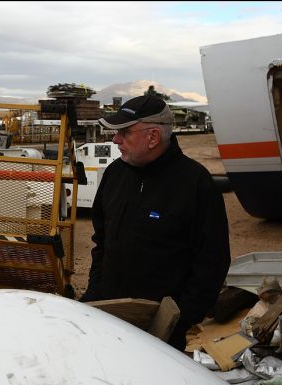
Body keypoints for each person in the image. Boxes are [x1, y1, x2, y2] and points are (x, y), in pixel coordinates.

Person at [80, 95, 231, 351]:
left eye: (124, 132)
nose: (115, 140)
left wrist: (177, 322)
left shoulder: (195, 184)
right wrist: (94, 296)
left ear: (152, 137)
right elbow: (102, 243)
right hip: (110, 321)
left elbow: (211, 265)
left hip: (165, 336)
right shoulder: (114, 175)